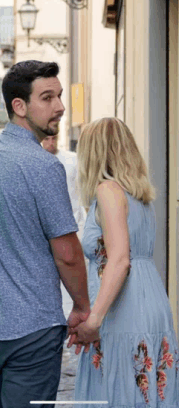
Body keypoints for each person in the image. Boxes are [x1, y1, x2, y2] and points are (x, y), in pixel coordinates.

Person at [0, 60, 99, 408]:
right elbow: (67, 253)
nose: (60, 107)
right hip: (31, 331)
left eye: (60, 96)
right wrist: (83, 307)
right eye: (47, 98)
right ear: (19, 106)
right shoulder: (43, 166)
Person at [68, 117, 179, 407]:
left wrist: (94, 319)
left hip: (122, 309)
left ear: (93, 152)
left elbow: (119, 260)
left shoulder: (108, 191)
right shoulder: (141, 197)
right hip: (151, 302)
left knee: (118, 393)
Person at [42, 134, 86, 236]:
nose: (51, 143)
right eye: (47, 139)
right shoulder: (34, 161)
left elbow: (82, 189)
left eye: (54, 139)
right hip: (47, 227)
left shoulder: (73, 159)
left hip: (74, 224)